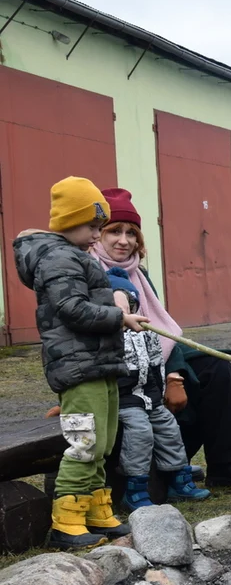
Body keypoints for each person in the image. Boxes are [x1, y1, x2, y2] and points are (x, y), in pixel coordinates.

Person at [92, 188, 231, 489]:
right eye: (114, 231)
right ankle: (162, 465)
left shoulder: (139, 276)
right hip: (118, 380)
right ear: (97, 235)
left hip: (150, 367)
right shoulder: (85, 271)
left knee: (216, 367)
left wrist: (174, 377)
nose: (124, 240)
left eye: (131, 233)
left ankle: (223, 465)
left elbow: (161, 332)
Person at [13, 177, 147, 549]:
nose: (96, 235)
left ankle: (95, 508)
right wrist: (118, 318)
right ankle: (67, 519)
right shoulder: (57, 258)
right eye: (92, 226)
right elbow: (70, 309)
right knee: (83, 441)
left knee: (103, 441)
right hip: (77, 366)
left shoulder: (73, 255)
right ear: (69, 221)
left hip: (99, 363)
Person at [107, 268, 211, 509]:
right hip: (125, 400)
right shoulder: (105, 337)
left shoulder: (146, 332)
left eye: (129, 303)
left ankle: (178, 478)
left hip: (149, 396)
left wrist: (161, 390)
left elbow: (156, 363)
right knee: (140, 433)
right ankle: (135, 488)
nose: (125, 309)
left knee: (169, 428)